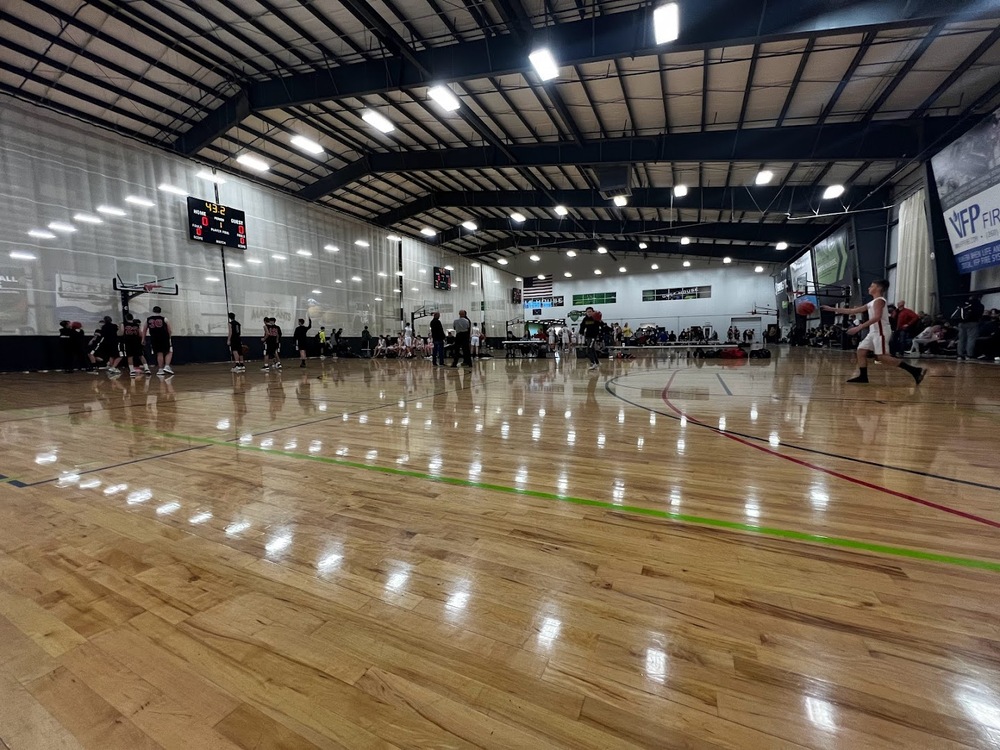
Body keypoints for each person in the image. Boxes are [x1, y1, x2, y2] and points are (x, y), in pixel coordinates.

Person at [822, 279, 924, 385]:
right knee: (861, 351)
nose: (869, 288)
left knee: (882, 357)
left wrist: (858, 328)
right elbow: (852, 311)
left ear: (879, 288)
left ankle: (916, 371)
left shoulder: (879, 300)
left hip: (881, 331)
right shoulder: (872, 302)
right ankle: (863, 377)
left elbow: (877, 317)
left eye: (871, 286)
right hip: (873, 331)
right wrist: (831, 309)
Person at [142, 306, 174, 376]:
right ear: (160, 311)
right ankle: (167, 366)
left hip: (154, 338)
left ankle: (160, 369)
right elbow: (169, 330)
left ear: (153, 311)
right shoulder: (164, 319)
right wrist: (169, 337)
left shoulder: (148, 319)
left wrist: (143, 339)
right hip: (164, 337)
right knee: (169, 351)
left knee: (159, 353)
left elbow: (144, 330)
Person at [952, 293, 984, 361]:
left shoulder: (964, 303)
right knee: (971, 339)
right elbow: (979, 315)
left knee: (961, 339)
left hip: (961, 323)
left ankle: (959, 355)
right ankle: (969, 355)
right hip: (973, 323)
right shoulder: (980, 305)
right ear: (979, 297)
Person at [121, 312, 150, 376]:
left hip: (128, 341)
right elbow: (140, 333)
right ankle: (147, 369)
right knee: (141, 355)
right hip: (136, 341)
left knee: (130, 356)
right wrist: (143, 339)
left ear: (126, 318)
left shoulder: (124, 324)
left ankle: (132, 370)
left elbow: (123, 332)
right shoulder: (136, 325)